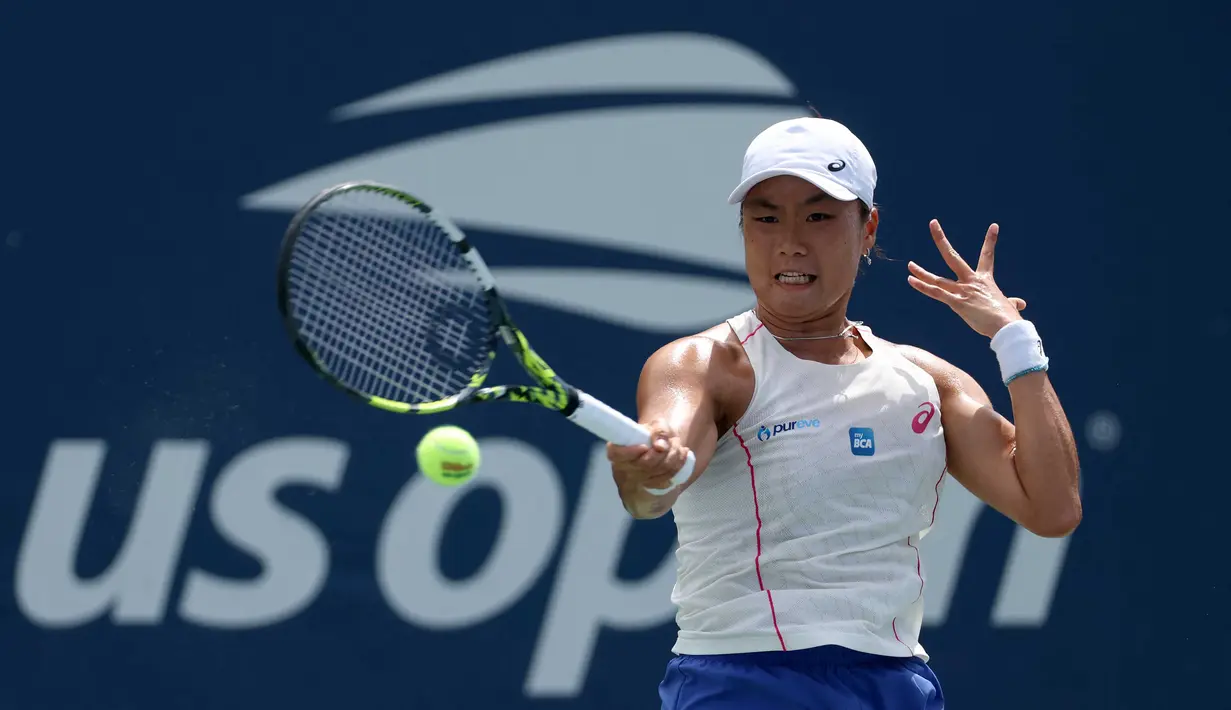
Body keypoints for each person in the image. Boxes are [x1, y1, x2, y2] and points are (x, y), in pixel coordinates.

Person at [606, 116, 1082, 710]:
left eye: (819, 215)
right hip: (743, 683)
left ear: (867, 228)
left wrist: (1015, 340)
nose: (790, 241)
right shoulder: (707, 364)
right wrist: (647, 471)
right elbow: (654, 486)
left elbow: (1053, 507)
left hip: (896, 684)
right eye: (766, 217)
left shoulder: (924, 380)